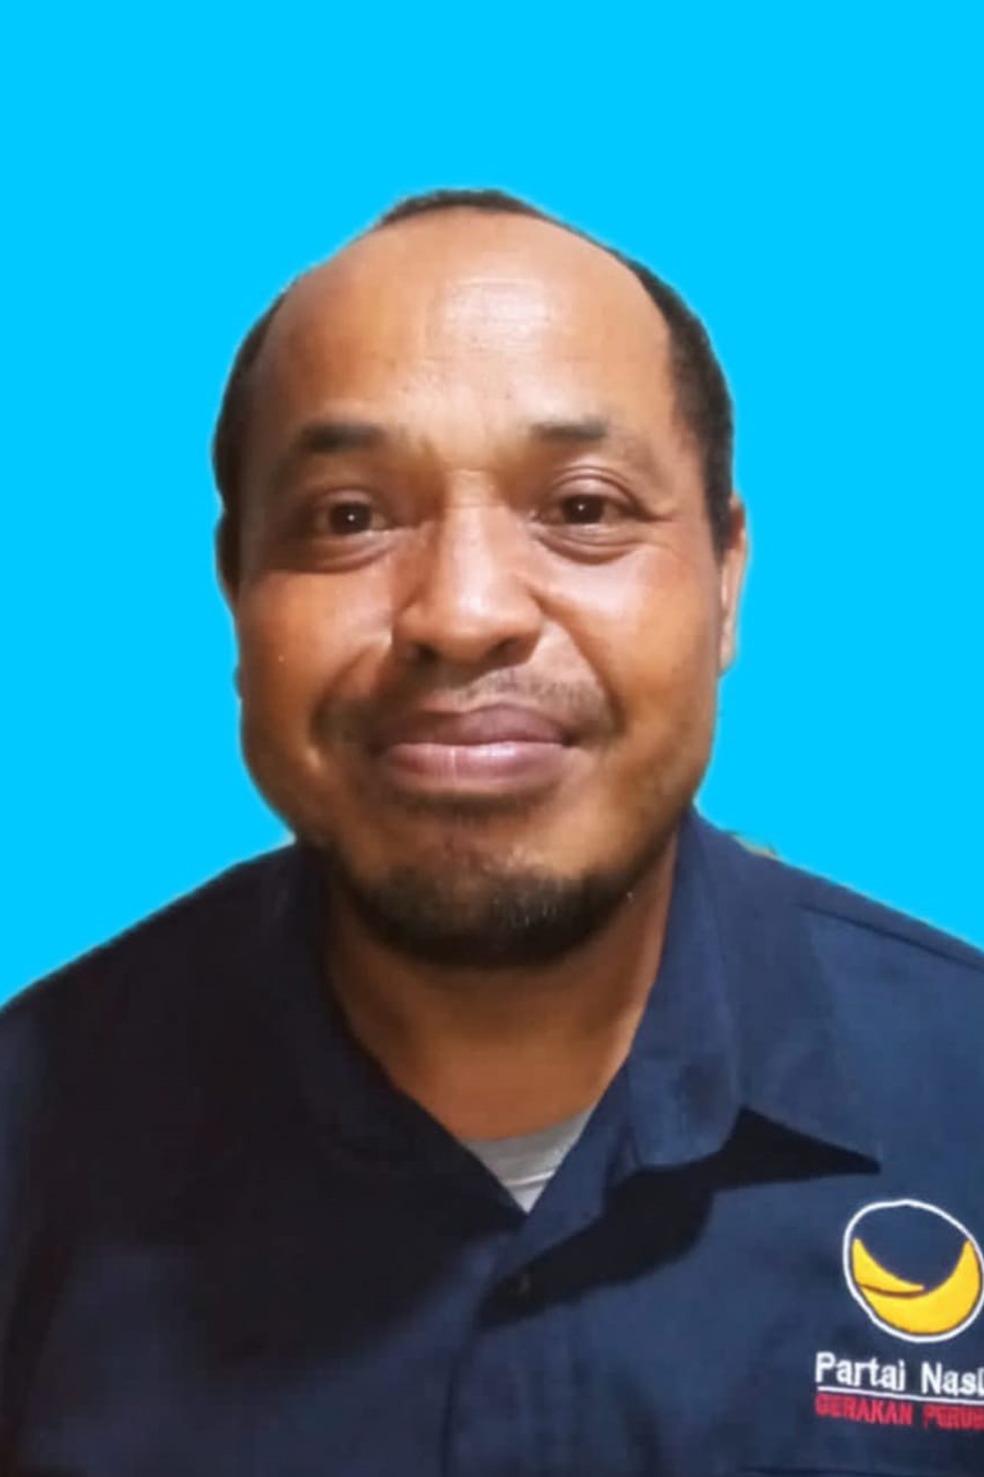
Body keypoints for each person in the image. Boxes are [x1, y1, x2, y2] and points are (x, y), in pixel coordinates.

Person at [1, 188, 982, 1476]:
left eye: (583, 509)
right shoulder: (30, 1141)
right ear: (236, 590)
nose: (463, 613)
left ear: (727, 579)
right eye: (349, 517)